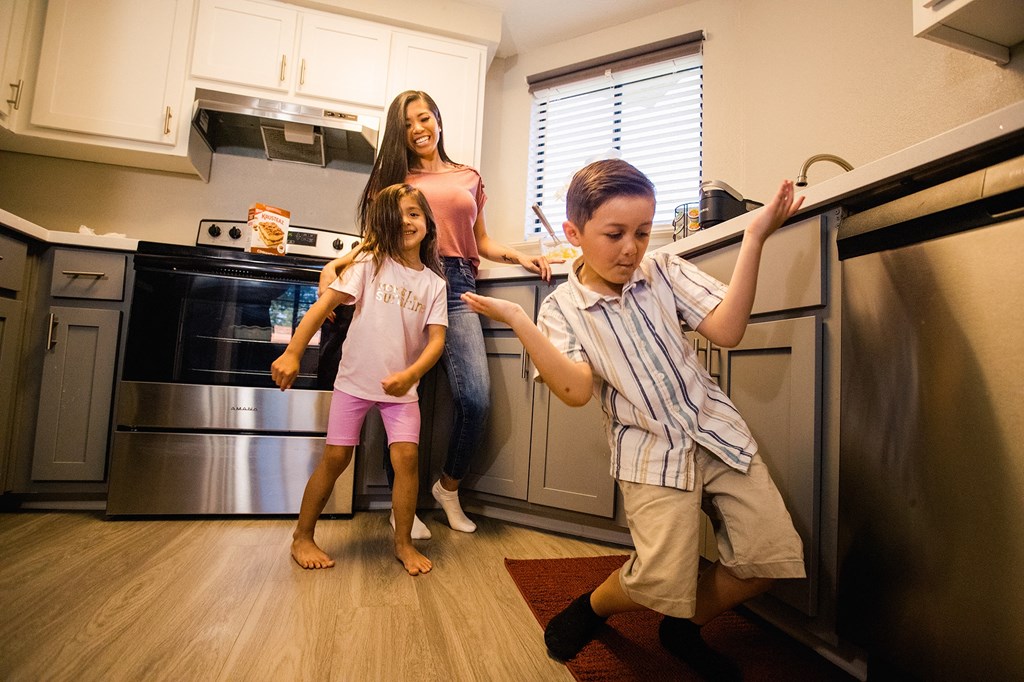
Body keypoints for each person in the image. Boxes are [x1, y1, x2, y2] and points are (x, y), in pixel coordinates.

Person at [461, 159, 808, 679]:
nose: (631, 248)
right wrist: (518, 320)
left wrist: (755, 237)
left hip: (717, 432)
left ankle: (683, 626)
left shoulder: (663, 269)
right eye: (615, 233)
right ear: (575, 232)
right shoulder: (562, 310)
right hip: (650, 453)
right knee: (656, 580)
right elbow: (576, 391)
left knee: (769, 557)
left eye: (643, 232)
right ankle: (595, 607)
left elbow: (729, 330)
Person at [319, 90, 556, 537]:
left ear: (438, 120)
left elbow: (479, 241)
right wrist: (338, 264)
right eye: (407, 124)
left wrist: (517, 256)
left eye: (423, 118)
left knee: (475, 398)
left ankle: (448, 487)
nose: (417, 129)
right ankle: (399, 506)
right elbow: (376, 242)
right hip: (402, 288)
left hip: (459, 287)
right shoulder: (393, 178)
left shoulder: (468, 176)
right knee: (398, 401)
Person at [272, 183, 447, 576]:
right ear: (382, 224)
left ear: (428, 223)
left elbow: (436, 342)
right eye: (396, 214)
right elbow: (322, 308)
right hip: (353, 381)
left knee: (406, 459)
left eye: (414, 213)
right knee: (336, 458)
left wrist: (411, 374)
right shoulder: (370, 264)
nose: (406, 220)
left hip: (402, 389)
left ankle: (402, 543)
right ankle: (302, 535)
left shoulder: (435, 284)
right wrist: (292, 352)